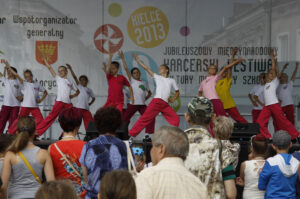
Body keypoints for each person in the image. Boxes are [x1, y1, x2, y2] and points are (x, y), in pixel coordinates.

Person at [184, 97, 238, 199]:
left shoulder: (175, 146)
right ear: (213, 118)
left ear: (187, 117)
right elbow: (231, 194)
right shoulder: (221, 148)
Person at [135, 126, 207, 199]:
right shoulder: (198, 185)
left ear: (161, 149)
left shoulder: (147, 177)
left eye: (153, 147)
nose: (151, 151)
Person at [79, 107, 131, 199]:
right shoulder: (126, 146)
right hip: (118, 195)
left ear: (97, 124)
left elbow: (85, 174)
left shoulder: (88, 146)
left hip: (93, 195)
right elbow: (129, 171)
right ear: (118, 125)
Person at [0, 116, 55, 199]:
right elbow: (51, 183)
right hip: (37, 195)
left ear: (17, 132)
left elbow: (3, 186)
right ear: (35, 132)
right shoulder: (43, 153)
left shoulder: (10, 154)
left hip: (15, 196)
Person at [129, 54, 180, 137]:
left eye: (161, 68)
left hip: (165, 104)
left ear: (166, 70)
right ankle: (131, 134)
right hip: (156, 102)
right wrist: (138, 61)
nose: (159, 69)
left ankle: (172, 136)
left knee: (176, 119)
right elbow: (147, 69)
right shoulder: (157, 77)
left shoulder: (171, 80)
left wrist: (173, 98)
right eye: (159, 68)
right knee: (145, 118)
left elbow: (177, 92)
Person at [256, 50, 299, 140]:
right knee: (259, 122)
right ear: (267, 75)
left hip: (274, 104)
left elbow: (275, 69)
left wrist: (273, 58)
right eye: (270, 73)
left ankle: (296, 134)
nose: (272, 74)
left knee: (282, 121)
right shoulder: (265, 85)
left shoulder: (274, 82)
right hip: (267, 107)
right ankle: (268, 137)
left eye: (273, 74)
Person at [36, 56, 80, 136]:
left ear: (66, 71)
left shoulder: (70, 81)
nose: (60, 72)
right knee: (50, 117)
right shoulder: (58, 79)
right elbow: (50, 68)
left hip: (68, 103)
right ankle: (37, 131)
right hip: (59, 102)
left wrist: (72, 96)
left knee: (71, 118)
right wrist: (45, 59)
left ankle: (67, 134)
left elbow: (78, 91)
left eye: (62, 71)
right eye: (59, 71)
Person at [48, 107, 86, 198]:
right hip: (81, 195)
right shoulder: (86, 146)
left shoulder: (52, 148)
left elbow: (51, 178)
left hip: (60, 193)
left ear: (61, 124)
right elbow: (86, 176)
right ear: (79, 125)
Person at [5, 61, 48, 134]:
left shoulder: (37, 84)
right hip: (25, 106)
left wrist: (40, 100)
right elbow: (16, 74)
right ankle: (10, 132)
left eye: (29, 76)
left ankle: (35, 133)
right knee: (19, 120)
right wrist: (8, 67)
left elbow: (45, 92)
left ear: (32, 75)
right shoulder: (24, 83)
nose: (28, 78)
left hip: (35, 107)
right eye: (26, 77)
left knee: (40, 120)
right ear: (25, 77)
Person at [119, 51, 154, 135]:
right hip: (133, 104)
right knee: (124, 119)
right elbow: (126, 69)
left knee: (150, 118)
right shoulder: (132, 81)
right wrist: (123, 59)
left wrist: (144, 99)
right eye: (134, 73)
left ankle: (147, 135)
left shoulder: (144, 83)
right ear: (132, 75)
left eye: (137, 72)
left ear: (140, 73)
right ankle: (123, 134)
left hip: (142, 105)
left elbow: (149, 93)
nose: (136, 74)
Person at [258, 130, 299, 198]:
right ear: (291, 144)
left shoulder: (270, 162)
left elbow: (261, 186)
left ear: (273, 146)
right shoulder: (297, 163)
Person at [216, 48, 248, 123]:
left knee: (239, 119)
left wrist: (233, 55)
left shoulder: (227, 80)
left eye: (226, 72)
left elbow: (229, 68)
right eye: (223, 71)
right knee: (219, 121)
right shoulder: (216, 80)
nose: (225, 73)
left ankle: (251, 132)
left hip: (229, 103)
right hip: (219, 105)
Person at [236, 134, 268, 199]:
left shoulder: (244, 164)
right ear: (266, 149)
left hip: (249, 196)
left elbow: (243, 180)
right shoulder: (270, 164)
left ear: (251, 149)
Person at [66, 63, 95, 130]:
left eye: (84, 80)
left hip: (86, 109)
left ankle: (89, 135)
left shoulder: (89, 90)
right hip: (79, 108)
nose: (82, 81)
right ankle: (68, 134)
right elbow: (75, 77)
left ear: (87, 81)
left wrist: (90, 103)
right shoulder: (79, 86)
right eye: (81, 80)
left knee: (90, 122)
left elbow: (93, 98)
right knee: (76, 123)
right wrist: (70, 69)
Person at [0, 62, 22, 134]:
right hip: (6, 104)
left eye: (10, 71)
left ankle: (11, 136)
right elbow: (2, 75)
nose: (8, 73)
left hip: (15, 105)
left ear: (14, 73)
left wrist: (22, 96)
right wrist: (5, 69)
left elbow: (27, 90)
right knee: (2, 120)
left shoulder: (18, 81)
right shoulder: (6, 80)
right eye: (8, 71)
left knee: (13, 122)